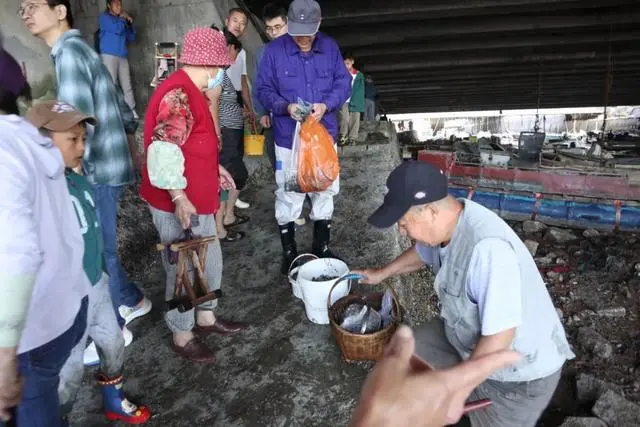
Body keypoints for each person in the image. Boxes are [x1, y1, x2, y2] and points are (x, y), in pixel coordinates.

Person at [354, 161, 576, 427]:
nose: (402, 232)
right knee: (410, 350)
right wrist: (382, 273)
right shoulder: (447, 223)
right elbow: (422, 253)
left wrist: (459, 391)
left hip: (516, 375)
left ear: (431, 212)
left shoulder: (487, 250)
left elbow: (500, 337)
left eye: (403, 224)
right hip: (464, 334)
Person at [20, 0, 152, 359]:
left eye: (33, 5)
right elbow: (123, 110)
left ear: (60, 11)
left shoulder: (69, 54)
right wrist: (130, 150)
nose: (26, 14)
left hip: (95, 168)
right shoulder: (82, 50)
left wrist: (69, 181)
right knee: (103, 246)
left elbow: (72, 126)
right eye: (21, 9)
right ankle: (133, 300)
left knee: (92, 252)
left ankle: (114, 331)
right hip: (109, 162)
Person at [25, 100, 151, 425]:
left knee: (113, 343)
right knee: (68, 372)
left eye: (83, 138)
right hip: (64, 305)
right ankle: (60, 417)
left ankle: (113, 398)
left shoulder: (76, 182)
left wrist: (104, 275)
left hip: (97, 285)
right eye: (72, 140)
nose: (82, 146)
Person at [140, 27, 246, 364]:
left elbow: (193, 143)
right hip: (181, 202)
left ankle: (206, 317)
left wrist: (214, 169)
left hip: (200, 198)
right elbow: (164, 149)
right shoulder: (179, 95)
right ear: (211, 66)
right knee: (184, 266)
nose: (218, 75)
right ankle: (182, 333)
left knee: (209, 258)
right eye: (218, 69)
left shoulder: (189, 91)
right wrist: (179, 197)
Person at [0, 42, 89, 426]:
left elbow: (16, 253)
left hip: (28, 335)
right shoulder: (29, 139)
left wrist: (4, 355)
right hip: (64, 306)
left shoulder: (6, 149)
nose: (80, 148)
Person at [256, 0, 352, 274]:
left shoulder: (330, 47)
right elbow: (263, 88)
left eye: (307, 33)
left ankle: (321, 246)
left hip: (323, 135)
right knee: (289, 193)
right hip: (289, 139)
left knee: (325, 188)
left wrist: (327, 104)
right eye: (296, 31)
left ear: (318, 24)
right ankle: (290, 253)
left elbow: (343, 83)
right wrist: (283, 107)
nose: (300, 39)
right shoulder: (274, 52)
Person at [350, 326, 521, 427]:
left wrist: (459, 394)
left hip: (517, 379)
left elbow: (503, 331)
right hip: (459, 332)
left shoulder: (491, 265)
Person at [207, 28, 248, 243]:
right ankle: (219, 228)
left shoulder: (221, 73)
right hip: (225, 133)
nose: (234, 58)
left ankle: (227, 217)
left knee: (235, 176)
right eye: (234, 52)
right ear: (228, 48)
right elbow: (212, 103)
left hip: (231, 131)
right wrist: (217, 134)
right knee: (229, 178)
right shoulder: (216, 74)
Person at [253, 2, 289, 171]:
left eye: (278, 27)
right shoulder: (262, 53)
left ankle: (307, 196)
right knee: (278, 162)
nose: (274, 33)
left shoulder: (302, 47)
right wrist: (262, 112)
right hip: (274, 115)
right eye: (269, 29)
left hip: (299, 115)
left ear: (287, 23)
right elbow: (259, 84)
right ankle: (284, 191)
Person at [224, 7, 254, 210]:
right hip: (221, 99)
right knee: (228, 154)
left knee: (237, 151)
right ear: (227, 21)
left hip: (234, 98)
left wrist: (249, 109)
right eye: (235, 20)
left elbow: (243, 82)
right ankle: (225, 208)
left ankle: (231, 201)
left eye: (242, 23)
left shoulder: (240, 50)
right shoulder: (218, 41)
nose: (239, 25)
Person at [99, 0, 138, 117]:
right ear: (108, 5)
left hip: (122, 55)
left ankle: (132, 111)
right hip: (108, 55)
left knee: (127, 84)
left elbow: (132, 37)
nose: (119, 6)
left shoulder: (122, 20)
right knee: (112, 84)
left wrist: (130, 24)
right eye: (115, 4)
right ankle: (112, 113)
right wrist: (123, 18)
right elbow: (117, 29)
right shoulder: (104, 18)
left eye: (120, 4)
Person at [339, 52, 364, 146]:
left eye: (347, 63)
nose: (345, 66)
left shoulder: (359, 75)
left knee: (355, 118)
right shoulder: (340, 74)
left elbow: (360, 90)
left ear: (352, 62)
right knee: (343, 118)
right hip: (344, 99)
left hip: (355, 99)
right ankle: (343, 136)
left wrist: (357, 100)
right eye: (344, 63)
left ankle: (352, 138)